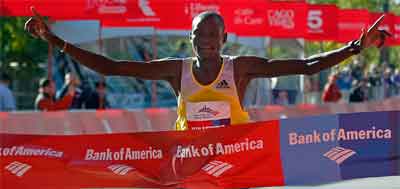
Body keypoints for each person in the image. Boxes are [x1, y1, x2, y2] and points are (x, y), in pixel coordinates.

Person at [25, 8, 390, 130]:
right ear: (191, 38)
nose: (208, 40)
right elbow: (112, 67)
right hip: (188, 161)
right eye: (201, 34)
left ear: (225, 38)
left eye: (214, 35)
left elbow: (308, 65)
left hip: (235, 160)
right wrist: (55, 40)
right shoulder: (174, 70)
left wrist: (356, 46)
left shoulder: (241, 68)